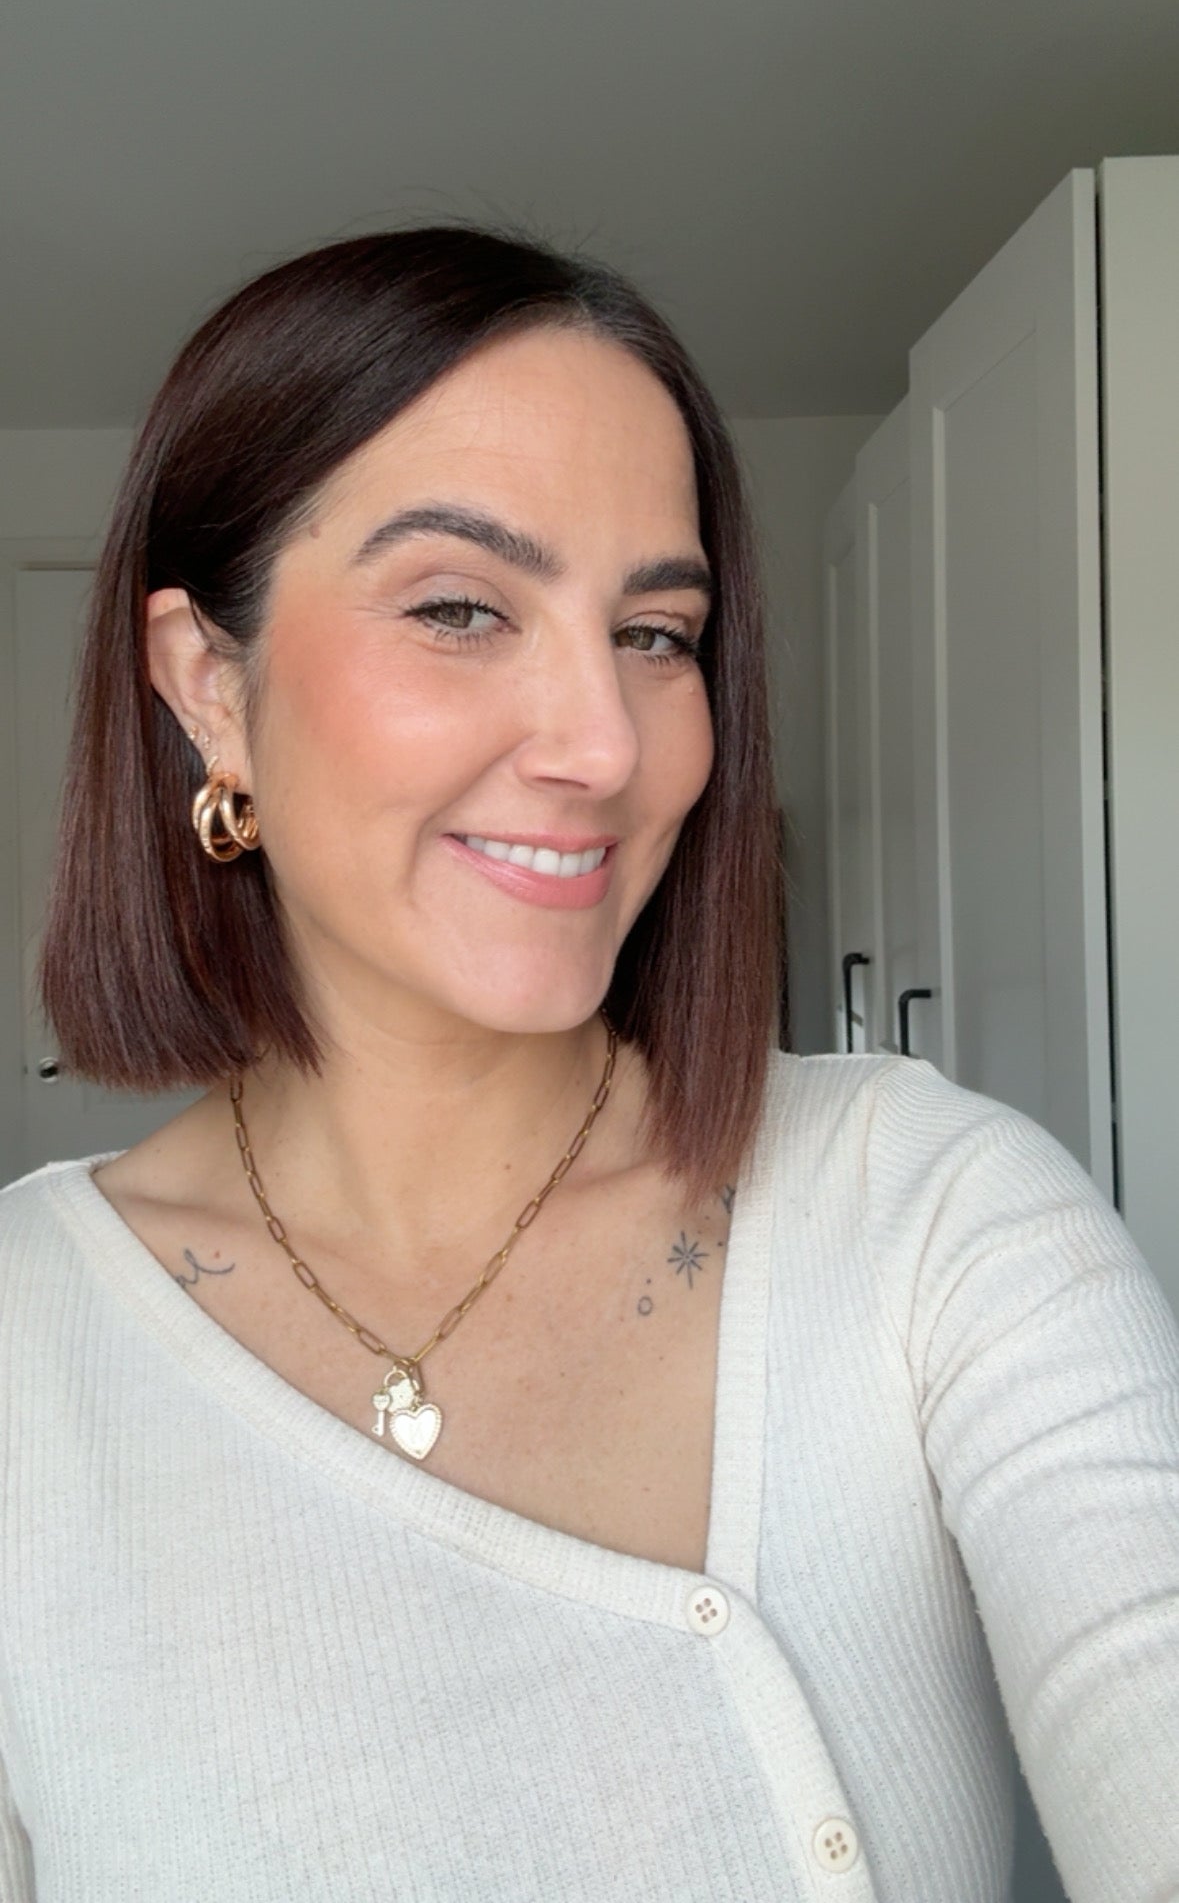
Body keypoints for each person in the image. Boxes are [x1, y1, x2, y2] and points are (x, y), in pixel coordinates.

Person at [0, 227, 1176, 1903]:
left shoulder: (930, 1216)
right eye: (461, 608)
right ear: (211, 686)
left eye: (656, 633)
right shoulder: (28, 1354)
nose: (609, 747)